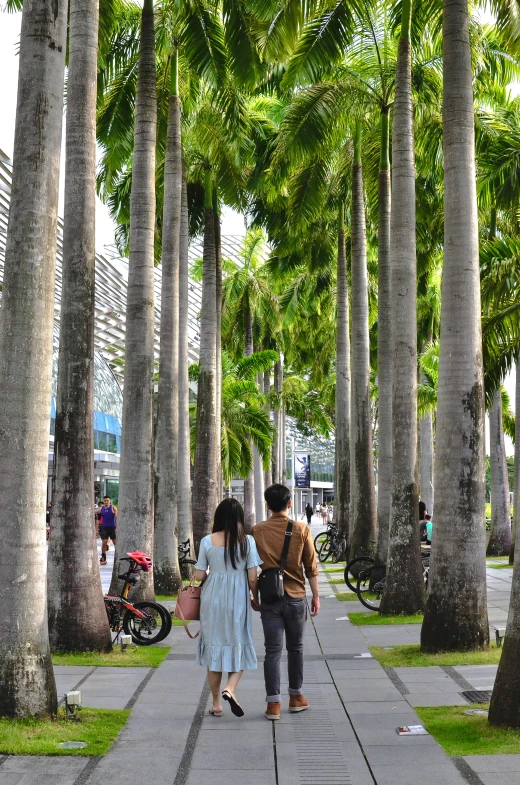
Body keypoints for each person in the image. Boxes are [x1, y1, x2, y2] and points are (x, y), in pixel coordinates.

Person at [253, 484, 320, 721]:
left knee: (272, 651)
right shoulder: (301, 529)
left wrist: (253, 595)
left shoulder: (257, 531)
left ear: (268, 505)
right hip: (295, 597)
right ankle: (296, 697)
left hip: (269, 598)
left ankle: (273, 705)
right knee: (296, 648)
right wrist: (316, 596)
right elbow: (310, 566)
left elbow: (251, 569)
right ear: (290, 503)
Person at [193, 498, 262, 718]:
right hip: (238, 598)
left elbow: (198, 575)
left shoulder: (207, 541)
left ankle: (216, 704)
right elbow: (253, 577)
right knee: (238, 642)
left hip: (212, 598)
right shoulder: (247, 541)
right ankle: (230, 688)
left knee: (215, 647)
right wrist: (255, 597)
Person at [98, 496, 117, 565]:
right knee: (104, 542)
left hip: (112, 527)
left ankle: (117, 557)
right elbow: (97, 518)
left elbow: (116, 518)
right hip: (104, 527)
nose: (106, 502)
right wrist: (96, 529)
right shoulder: (100, 509)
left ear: (110, 501)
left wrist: (117, 527)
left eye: (107, 501)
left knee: (115, 542)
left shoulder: (113, 508)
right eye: (105, 501)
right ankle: (103, 557)